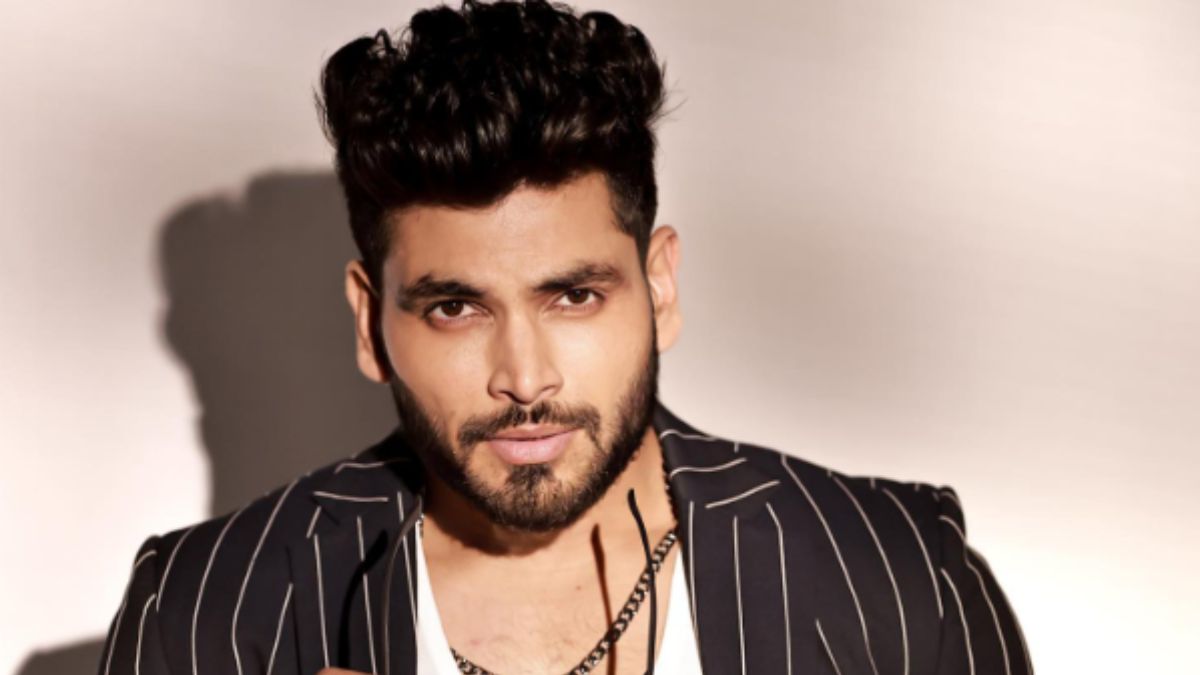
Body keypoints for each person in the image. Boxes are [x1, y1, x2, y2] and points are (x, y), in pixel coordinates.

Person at [98, 1, 1032, 673]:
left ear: (659, 287)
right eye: (455, 308)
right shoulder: (201, 614)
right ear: (369, 322)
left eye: (574, 295)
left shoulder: (897, 578)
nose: (524, 377)